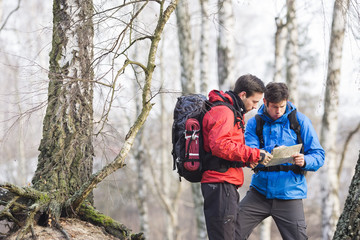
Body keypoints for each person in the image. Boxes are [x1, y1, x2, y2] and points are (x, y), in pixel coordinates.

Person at [238, 82, 325, 239]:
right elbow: (250, 152)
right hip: (259, 193)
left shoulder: (301, 122)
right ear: (265, 102)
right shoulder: (254, 123)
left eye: (282, 106)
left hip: (290, 194)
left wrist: (304, 160)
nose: (278, 111)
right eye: (274, 107)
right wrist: (258, 156)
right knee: (231, 232)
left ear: (287, 101)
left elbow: (319, 155)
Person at [201, 74, 272, 240]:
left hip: (225, 183)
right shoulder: (224, 112)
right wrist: (254, 153)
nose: (255, 107)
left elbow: (228, 149)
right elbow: (219, 145)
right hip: (220, 183)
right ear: (242, 95)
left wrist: (249, 159)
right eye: (254, 102)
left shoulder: (231, 111)